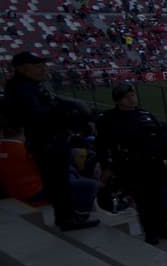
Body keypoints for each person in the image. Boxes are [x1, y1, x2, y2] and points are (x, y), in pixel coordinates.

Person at [2, 51, 98, 231]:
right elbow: (38, 116)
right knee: (58, 183)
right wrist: (66, 113)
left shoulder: (30, 86)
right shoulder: (22, 89)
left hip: (51, 142)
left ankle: (69, 215)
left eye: (42, 65)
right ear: (22, 68)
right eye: (37, 66)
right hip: (47, 144)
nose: (42, 69)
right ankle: (66, 218)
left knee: (61, 182)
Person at [96, 82, 167, 246]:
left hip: (154, 164)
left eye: (133, 95)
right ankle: (150, 232)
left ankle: (163, 228)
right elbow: (102, 146)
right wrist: (106, 167)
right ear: (118, 100)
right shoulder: (108, 119)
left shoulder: (145, 114)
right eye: (127, 97)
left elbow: (161, 139)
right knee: (144, 201)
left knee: (158, 198)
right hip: (131, 166)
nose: (132, 99)